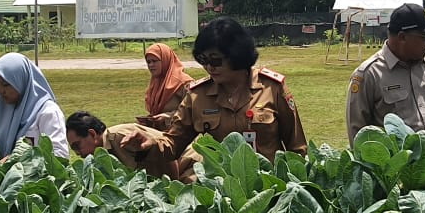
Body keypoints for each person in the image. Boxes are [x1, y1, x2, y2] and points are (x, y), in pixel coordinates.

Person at [123, 18, 307, 179]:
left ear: (237, 56)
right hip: (220, 191)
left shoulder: (272, 88)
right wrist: (150, 144)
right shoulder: (197, 95)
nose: (209, 67)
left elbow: (296, 147)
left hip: (269, 187)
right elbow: (173, 143)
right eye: (203, 60)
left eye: (216, 60)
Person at [346, 3, 425, 146]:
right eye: (424, 37)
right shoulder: (369, 74)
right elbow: (358, 137)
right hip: (402, 167)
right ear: (402, 37)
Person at [0, 52, 68, 158]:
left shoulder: (48, 112)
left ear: (22, 80)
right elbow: (0, 159)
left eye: (6, 85)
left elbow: (60, 156)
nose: (1, 91)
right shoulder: (3, 111)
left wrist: (17, 159)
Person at [65, 111, 178, 179]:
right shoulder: (100, 157)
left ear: (92, 134)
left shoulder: (121, 137)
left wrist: (175, 189)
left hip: (186, 169)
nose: (77, 153)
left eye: (77, 146)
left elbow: (168, 157)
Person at [141, 43, 194, 130]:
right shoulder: (155, 82)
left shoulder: (184, 83)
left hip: (178, 133)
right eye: (148, 62)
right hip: (158, 132)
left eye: (154, 61)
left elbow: (193, 112)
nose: (151, 65)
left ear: (165, 60)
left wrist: (168, 117)